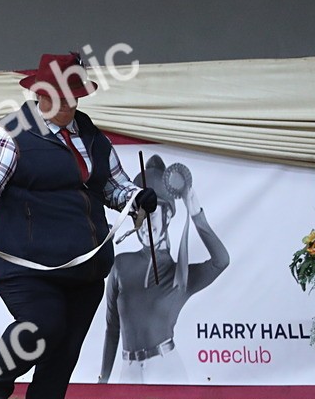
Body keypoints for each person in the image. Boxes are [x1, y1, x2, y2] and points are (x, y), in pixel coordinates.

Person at [0, 52, 157, 399]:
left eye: (75, 96)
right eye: (63, 96)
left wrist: (136, 198)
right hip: (25, 262)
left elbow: (112, 187)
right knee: (43, 324)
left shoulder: (92, 137)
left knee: (68, 340)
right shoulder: (10, 134)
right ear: (41, 94)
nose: (71, 104)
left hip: (86, 263)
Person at [98, 156, 229, 383]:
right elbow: (112, 328)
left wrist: (195, 213)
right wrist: (103, 381)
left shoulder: (181, 275)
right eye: (137, 214)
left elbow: (221, 261)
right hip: (128, 372)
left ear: (167, 214)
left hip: (166, 368)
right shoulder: (120, 265)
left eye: (151, 212)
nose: (143, 221)